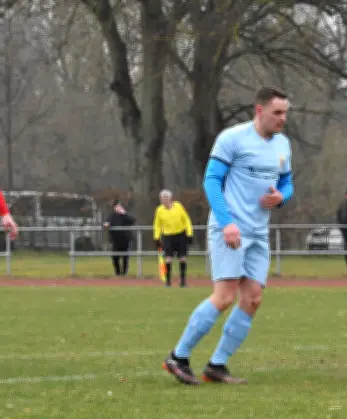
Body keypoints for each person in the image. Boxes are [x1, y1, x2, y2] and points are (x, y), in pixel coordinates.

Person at [162, 86, 294, 385]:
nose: (282, 118)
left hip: (259, 232)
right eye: (277, 112)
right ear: (259, 111)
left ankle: (216, 366)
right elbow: (211, 181)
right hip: (231, 229)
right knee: (224, 297)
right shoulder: (232, 138)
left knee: (253, 299)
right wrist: (226, 222)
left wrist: (281, 197)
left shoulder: (283, 144)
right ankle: (178, 356)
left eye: (285, 112)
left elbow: (287, 183)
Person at [153, 190, 194, 287]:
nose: (164, 200)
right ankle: (168, 281)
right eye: (162, 199)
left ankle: (183, 281)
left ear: (170, 198)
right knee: (168, 259)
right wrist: (156, 238)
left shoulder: (178, 206)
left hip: (180, 235)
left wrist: (189, 234)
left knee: (182, 258)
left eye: (166, 198)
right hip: (167, 236)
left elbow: (186, 220)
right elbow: (157, 225)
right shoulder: (159, 210)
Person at [103, 200, 135, 276]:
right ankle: (117, 273)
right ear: (114, 208)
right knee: (115, 257)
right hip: (115, 240)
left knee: (125, 258)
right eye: (117, 206)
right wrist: (106, 224)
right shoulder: (111, 216)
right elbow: (106, 223)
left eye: (120, 206)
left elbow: (132, 221)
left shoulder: (125, 216)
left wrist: (124, 214)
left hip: (125, 240)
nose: (118, 208)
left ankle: (124, 273)